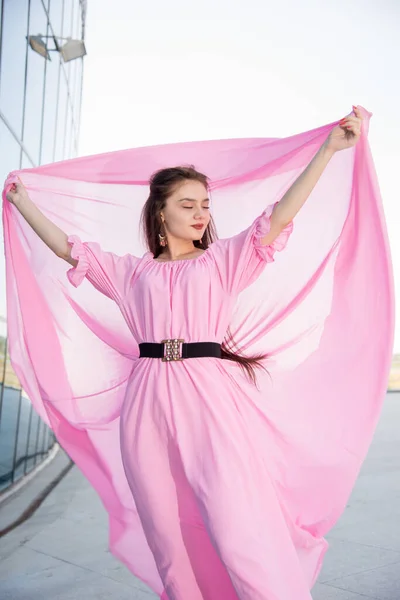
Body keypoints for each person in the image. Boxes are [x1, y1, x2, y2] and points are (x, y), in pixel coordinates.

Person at [5, 108, 366, 600]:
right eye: (188, 204)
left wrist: (328, 151)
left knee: (237, 527)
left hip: (208, 399)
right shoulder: (130, 273)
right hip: (146, 402)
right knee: (166, 537)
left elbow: (280, 215)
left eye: (206, 204)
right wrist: (23, 203)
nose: (202, 214)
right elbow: (70, 250)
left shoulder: (223, 261)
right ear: (161, 213)